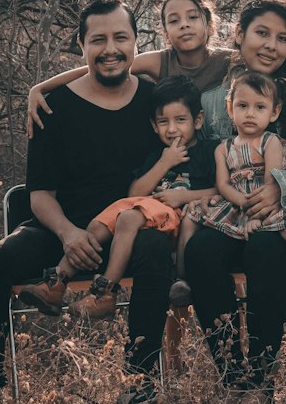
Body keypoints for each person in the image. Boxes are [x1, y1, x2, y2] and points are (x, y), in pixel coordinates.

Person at [0, 0, 173, 404]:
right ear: (81, 46)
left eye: (121, 38)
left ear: (136, 43)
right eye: (98, 39)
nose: (110, 48)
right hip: (60, 228)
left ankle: (139, 384)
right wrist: (69, 233)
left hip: (130, 229)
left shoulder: (156, 102)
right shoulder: (53, 108)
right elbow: (39, 195)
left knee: (154, 248)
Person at [184, 0, 286, 404]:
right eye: (261, 33)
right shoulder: (214, 100)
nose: (271, 45)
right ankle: (231, 378)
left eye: (282, 38)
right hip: (235, 210)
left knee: (266, 247)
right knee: (200, 250)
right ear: (240, 35)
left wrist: (281, 186)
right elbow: (210, 164)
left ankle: (259, 381)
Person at [25, 0, 286, 133]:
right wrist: (42, 88)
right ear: (165, 32)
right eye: (174, 21)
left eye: (192, 18)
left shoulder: (226, 59)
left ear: (209, 24)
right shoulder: (159, 61)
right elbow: (97, 68)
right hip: (174, 138)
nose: (185, 25)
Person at [182, 70, 286, 330]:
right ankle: (182, 279)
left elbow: (272, 181)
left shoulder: (270, 142)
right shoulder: (223, 148)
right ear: (230, 107)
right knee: (192, 218)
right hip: (239, 206)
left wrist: (256, 215)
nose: (250, 113)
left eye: (260, 107)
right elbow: (223, 184)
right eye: (243, 106)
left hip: (269, 203)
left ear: (274, 112)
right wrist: (241, 202)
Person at [73, 77, 216, 320]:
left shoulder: (210, 151)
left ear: (198, 120)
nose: (172, 129)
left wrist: (184, 196)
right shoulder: (157, 157)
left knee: (128, 218)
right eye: (163, 122)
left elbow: (224, 190)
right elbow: (134, 193)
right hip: (154, 223)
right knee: (104, 221)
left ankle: (106, 292)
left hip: (185, 222)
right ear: (154, 125)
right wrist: (164, 163)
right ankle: (59, 277)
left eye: (180, 120)